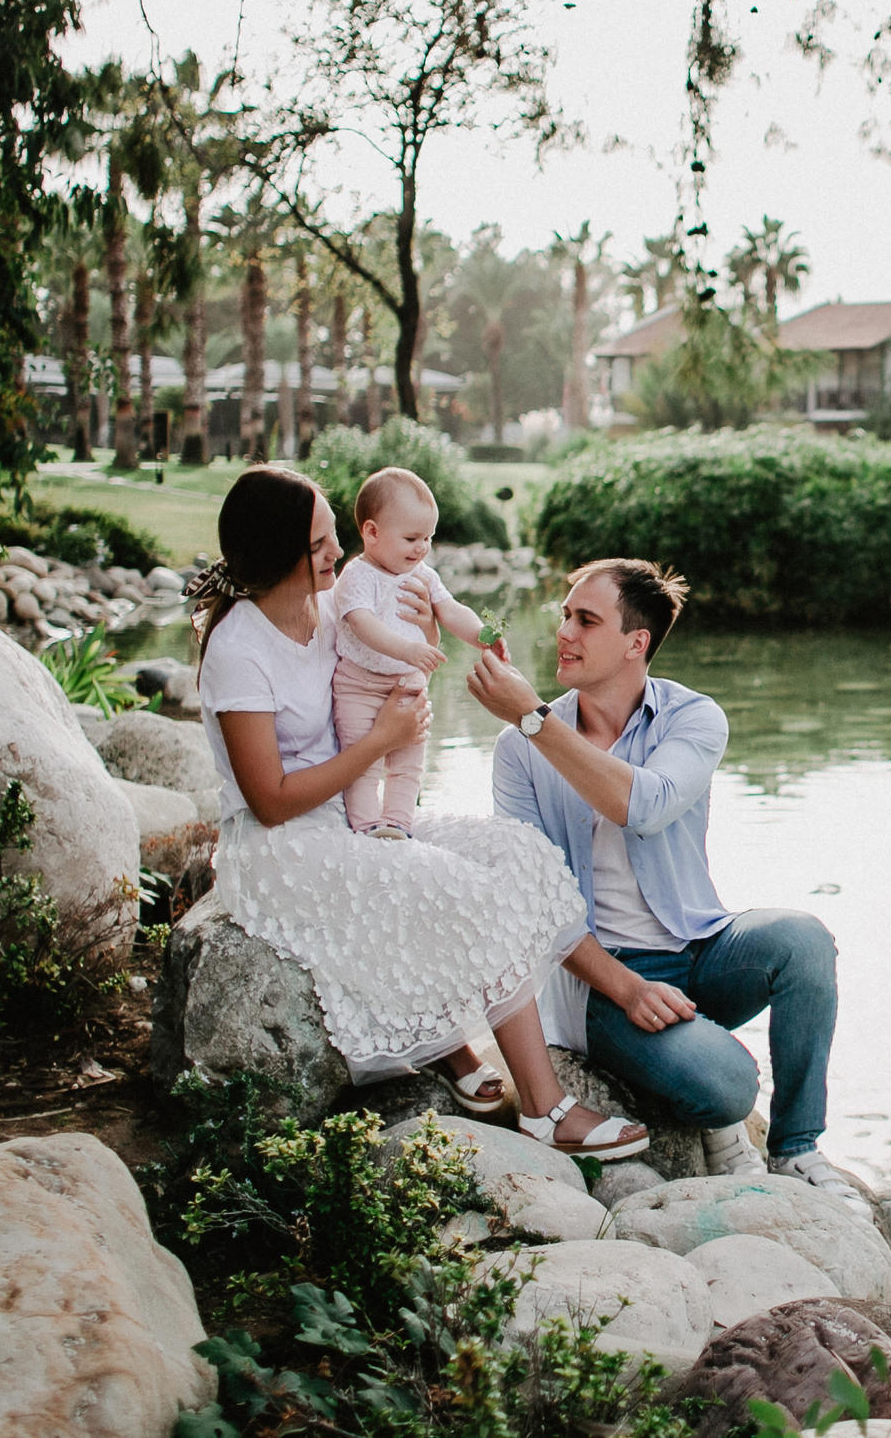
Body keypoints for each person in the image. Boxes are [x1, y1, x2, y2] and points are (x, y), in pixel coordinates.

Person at [192, 464, 650, 1159]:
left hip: (351, 808)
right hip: (281, 843)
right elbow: (270, 798)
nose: (338, 553)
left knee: (511, 852)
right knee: (449, 885)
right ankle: (544, 1106)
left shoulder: (331, 609)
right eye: (320, 544)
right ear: (280, 552)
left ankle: (457, 1049)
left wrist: (435, 630)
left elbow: (403, 619)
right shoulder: (238, 649)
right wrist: (382, 739)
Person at [470, 558, 864, 1213]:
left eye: (585, 619)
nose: (564, 630)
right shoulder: (517, 752)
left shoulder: (693, 718)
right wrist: (625, 987)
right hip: (603, 980)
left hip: (698, 945)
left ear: (636, 642)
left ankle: (797, 1147)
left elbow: (645, 805)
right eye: (566, 614)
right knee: (731, 1085)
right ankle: (708, 1097)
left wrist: (536, 719)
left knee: (804, 940)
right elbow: (532, 897)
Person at [330, 466, 494, 839]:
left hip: (407, 685)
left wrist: (482, 635)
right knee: (363, 759)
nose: (422, 548)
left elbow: (450, 609)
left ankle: (399, 822)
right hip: (360, 684)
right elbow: (361, 622)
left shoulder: (422, 573)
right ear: (372, 533)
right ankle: (366, 824)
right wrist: (408, 649)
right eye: (411, 538)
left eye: (428, 538)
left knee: (408, 761)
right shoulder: (357, 575)